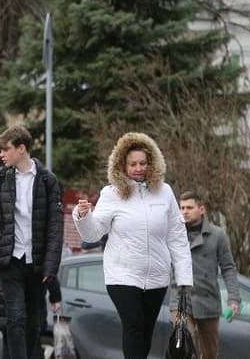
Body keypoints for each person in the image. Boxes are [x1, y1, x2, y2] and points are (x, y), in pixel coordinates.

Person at [73, 132, 192, 359]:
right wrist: (82, 215)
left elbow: (177, 237)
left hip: (157, 277)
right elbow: (94, 232)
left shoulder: (165, 192)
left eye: (142, 163)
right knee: (134, 324)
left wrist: (184, 277)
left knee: (145, 332)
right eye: (132, 164)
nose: (138, 168)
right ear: (122, 165)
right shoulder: (112, 194)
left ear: (151, 163)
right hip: (122, 275)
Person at [0, 125, 64, 359]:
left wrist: (51, 266)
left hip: (36, 263)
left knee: (34, 322)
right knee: (15, 318)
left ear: (21, 149)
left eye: (5, 149)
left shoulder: (48, 180)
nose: (1, 155)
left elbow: (56, 227)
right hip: (9, 261)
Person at [168, 191, 240, 359]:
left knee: (209, 353)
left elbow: (228, 268)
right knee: (184, 343)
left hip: (208, 301)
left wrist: (234, 298)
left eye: (189, 207)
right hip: (181, 300)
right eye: (182, 207)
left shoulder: (217, 235)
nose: (184, 211)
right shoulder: (174, 234)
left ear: (201, 209)